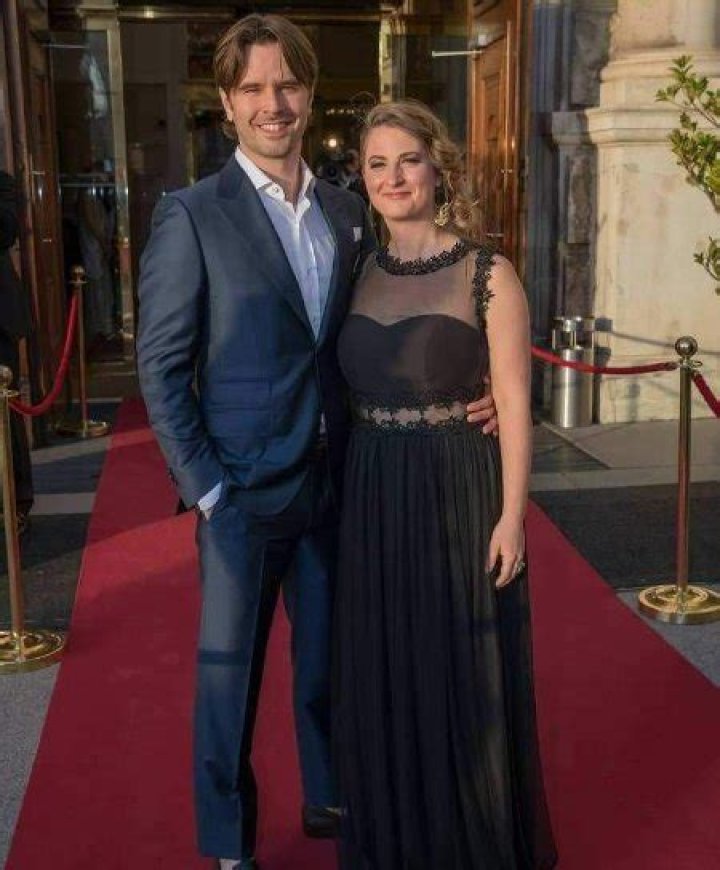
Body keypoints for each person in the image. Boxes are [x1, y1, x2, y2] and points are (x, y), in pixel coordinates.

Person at [137, 14, 500, 870]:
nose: (274, 103)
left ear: (308, 93)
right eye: (254, 88)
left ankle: (333, 797)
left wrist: (474, 384)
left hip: (338, 484)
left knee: (330, 665)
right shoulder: (192, 215)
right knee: (229, 677)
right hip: (240, 495)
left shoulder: (346, 210)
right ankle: (230, 844)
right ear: (228, 101)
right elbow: (161, 366)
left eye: (288, 85)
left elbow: (385, 322)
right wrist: (208, 489)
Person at [332, 100, 558, 869]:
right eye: (377, 163)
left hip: (458, 490)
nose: (393, 177)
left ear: (438, 168)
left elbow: (515, 405)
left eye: (408, 160)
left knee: (460, 670)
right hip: (370, 492)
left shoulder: (488, 272)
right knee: (385, 671)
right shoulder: (354, 269)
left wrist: (512, 517)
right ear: (362, 178)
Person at [0, 170, 34, 535]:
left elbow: (7, 230)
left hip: (0, 322)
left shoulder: (3, 183)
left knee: (6, 415)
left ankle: (16, 502)